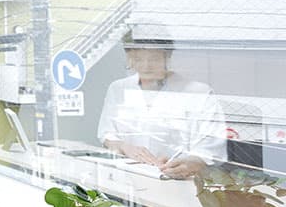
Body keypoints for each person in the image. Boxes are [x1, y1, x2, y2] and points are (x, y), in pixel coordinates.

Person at [96, 30, 226, 179]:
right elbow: (106, 133)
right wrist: (124, 147)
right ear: (129, 58)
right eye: (138, 59)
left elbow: (211, 147)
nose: (145, 66)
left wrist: (191, 163)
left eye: (154, 59)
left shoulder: (198, 92)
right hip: (129, 176)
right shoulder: (119, 89)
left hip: (178, 181)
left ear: (167, 56)